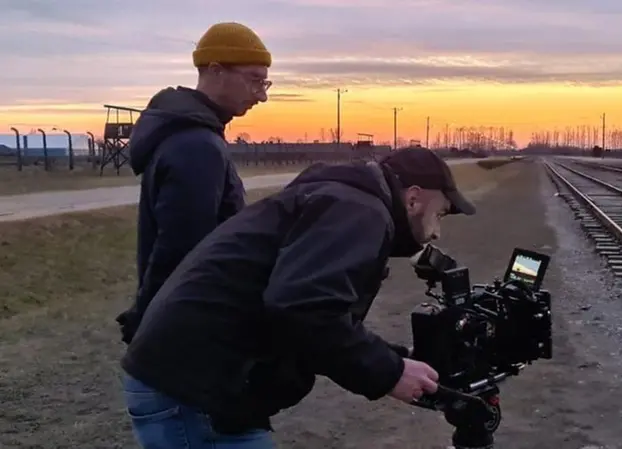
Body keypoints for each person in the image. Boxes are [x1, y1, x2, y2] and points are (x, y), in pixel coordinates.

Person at [120, 147, 477, 448]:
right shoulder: (360, 210)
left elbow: (314, 311)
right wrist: (389, 372)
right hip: (193, 391)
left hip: (196, 382)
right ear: (414, 198)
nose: (437, 231)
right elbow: (304, 309)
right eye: (440, 214)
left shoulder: (341, 198)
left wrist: (391, 359)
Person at [115, 22, 272, 344]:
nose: (262, 95)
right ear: (215, 71)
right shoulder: (195, 146)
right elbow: (181, 248)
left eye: (265, 82)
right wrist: (146, 319)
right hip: (186, 330)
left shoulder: (190, 136)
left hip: (182, 321)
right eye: (254, 80)